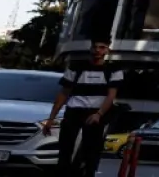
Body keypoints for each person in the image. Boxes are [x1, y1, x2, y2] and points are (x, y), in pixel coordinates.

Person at [43, 36, 124, 177]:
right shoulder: (76, 67)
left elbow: (111, 96)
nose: (97, 50)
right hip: (74, 111)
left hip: (95, 113)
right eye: (95, 47)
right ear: (90, 49)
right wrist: (51, 119)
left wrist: (99, 114)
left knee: (91, 151)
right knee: (65, 149)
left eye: (102, 47)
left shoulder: (113, 70)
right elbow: (64, 93)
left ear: (107, 50)